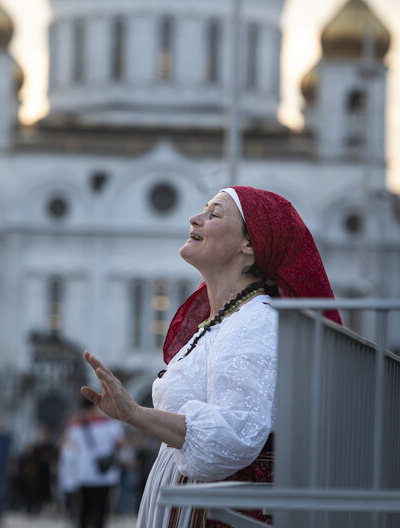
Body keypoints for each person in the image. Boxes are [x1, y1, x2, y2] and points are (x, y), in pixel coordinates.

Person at [81, 186, 341, 528]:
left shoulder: (255, 323)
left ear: (250, 244)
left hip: (213, 512)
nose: (195, 218)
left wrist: (135, 414)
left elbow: (235, 434)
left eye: (214, 214)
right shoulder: (224, 321)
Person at [64, 399, 124, 528]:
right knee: (101, 510)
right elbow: (120, 442)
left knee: (84, 509)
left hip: (83, 473)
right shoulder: (108, 421)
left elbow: (70, 445)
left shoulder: (75, 424)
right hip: (105, 473)